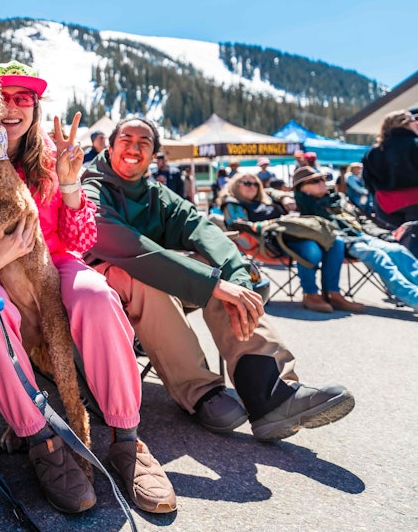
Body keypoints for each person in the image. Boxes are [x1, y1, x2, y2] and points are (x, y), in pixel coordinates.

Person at [0, 61, 175, 514]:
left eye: (24, 98)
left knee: (96, 296)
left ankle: (127, 441)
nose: (11, 107)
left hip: (53, 264)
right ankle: (41, 439)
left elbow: (81, 240)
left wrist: (68, 184)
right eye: (2, 96)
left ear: (35, 108)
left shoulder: (46, 156)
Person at [82, 116, 356, 442]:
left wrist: (235, 277)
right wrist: (212, 283)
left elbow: (202, 229)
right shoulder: (90, 188)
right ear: (110, 146)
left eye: (144, 143)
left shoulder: (155, 193)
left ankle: (270, 391)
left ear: (154, 155)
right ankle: (199, 392)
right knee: (150, 278)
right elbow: (124, 246)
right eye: (126, 140)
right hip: (97, 292)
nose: (134, 148)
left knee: (216, 269)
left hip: (151, 282)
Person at [219, 173, 363, 313]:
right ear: (235, 186)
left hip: (291, 233)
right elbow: (237, 225)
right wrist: (271, 224)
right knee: (310, 248)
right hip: (268, 242)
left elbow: (270, 191)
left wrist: (284, 198)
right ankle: (310, 294)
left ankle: (333, 293)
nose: (253, 187)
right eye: (247, 183)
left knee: (336, 241)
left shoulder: (265, 198)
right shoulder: (233, 203)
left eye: (256, 183)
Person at [293, 165, 418, 311]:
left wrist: (382, 234)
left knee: (398, 250)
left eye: (322, 179)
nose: (322, 183)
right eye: (315, 181)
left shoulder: (338, 199)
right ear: (302, 188)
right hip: (343, 242)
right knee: (377, 256)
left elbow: (363, 220)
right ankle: (414, 298)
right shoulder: (304, 205)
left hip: (362, 235)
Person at [361, 109, 418, 226]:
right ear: (404, 123)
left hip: (386, 203)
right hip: (415, 199)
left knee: (396, 240)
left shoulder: (373, 151)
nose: (416, 123)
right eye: (413, 119)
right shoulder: (414, 144)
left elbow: (367, 180)